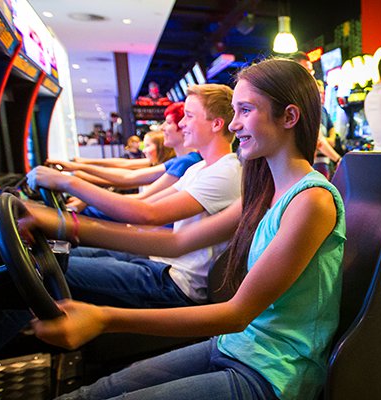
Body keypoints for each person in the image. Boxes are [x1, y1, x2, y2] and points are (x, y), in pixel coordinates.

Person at [24, 58, 346, 400]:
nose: (234, 125)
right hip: (235, 346)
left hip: (274, 372)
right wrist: (62, 224)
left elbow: (237, 313)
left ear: (289, 117)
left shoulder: (312, 201)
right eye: (234, 111)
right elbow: (177, 242)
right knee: (95, 392)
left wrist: (103, 318)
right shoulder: (262, 190)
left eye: (246, 110)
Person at [27, 84, 240, 228]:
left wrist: (71, 180)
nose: (174, 125)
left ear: (216, 124)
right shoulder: (196, 167)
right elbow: (126, 175)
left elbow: (146, 209)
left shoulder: (196, 164)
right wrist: (77, 168)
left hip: (163, 256)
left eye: (187, 116)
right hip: (157, 247)